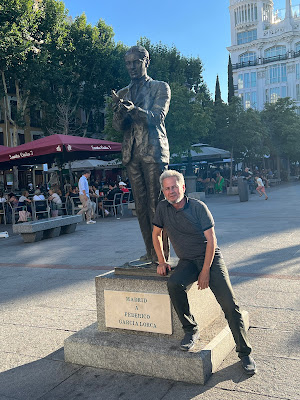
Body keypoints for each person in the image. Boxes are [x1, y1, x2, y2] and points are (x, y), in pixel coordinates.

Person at [152, 170, 256, 375]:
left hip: (211, 259)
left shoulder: (198, 207)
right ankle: (190, 329)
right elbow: (156, 234)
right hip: (187, 261)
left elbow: (211, 240)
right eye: (167, 188)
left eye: (174, 187)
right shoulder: (163, 208)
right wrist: (162, 261)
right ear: (163, 191)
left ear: (183, 187)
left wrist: (206, 271)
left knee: (229, 304)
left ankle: (245, 353)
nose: (171, 191)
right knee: (174, 283)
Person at [112, 45, 171, 263]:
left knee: (157, 205)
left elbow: (157, 117)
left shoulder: (160, 87)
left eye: (136, 62)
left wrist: (133, 110)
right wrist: (119, 113)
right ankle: (150, 252)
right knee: (141, 206)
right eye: (128, 63)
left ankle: (162, 255)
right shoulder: (122, 93)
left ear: (146, 61)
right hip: (132, 153)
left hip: (153, 151)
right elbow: (118, 127)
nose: (132, 67)